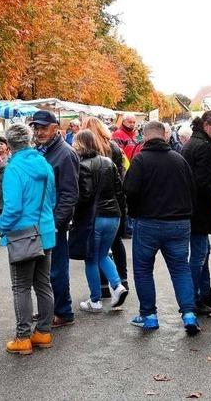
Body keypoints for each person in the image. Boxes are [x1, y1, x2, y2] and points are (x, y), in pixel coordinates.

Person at [124, 121, 199, 334]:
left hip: (148, 222)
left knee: (143, 269)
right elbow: (192, 190)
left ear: (145, 137)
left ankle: (149, 316)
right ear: (165, 136)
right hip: (179, 223)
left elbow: (129, 191)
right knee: (180, 268)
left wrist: (135, 213)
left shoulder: (139, 160)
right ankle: (189, 314)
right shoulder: (179, 159)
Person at [0, 124, 57, 355]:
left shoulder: (13, 168)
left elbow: (12, 208)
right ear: (30, 140)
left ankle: (23, 337)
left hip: (23, 234)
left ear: (10, 145)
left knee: (21, 286)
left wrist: (0, 225)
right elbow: (52, 198)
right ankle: (43, 332)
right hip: (46, 230)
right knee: (43, 284)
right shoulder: (44, 163)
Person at [29, 110, 80, 328]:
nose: (39, 132)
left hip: (53, 223)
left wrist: (57, 223)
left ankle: (63, 312)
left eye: (43, 128)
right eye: (36, 128)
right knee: (42, 271)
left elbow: (70, 194)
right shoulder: (41, 151)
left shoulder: (65, 153)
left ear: (55, 128)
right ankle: (48, 309)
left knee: (56, 269)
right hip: (39, 220)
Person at [71, 130, 129, 312]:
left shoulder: (82, 166)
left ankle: (95, 300)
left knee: (91, 259)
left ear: (80, 144)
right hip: (113, 216)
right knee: (103, 254)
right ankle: (118, 286)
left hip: (94, 218)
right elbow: (120, 192)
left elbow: (84, 196)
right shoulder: (109, 162)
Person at [181, 111, 211, 315]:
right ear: (206, 125)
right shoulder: (203, 146)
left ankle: (203, 294)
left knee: (203, 252)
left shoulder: (191, 143)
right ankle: (192, 300)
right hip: (199, 210)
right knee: (199, 255)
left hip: (191, 208)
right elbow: (202, 183)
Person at [82, 117, 129, 293]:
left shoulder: (85, 154)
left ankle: (102, 288)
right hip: (113, 205)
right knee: (115, 243)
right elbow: (120, 179)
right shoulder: (113, 147)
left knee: (95, 252)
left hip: (95, 209)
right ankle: (122, 281)